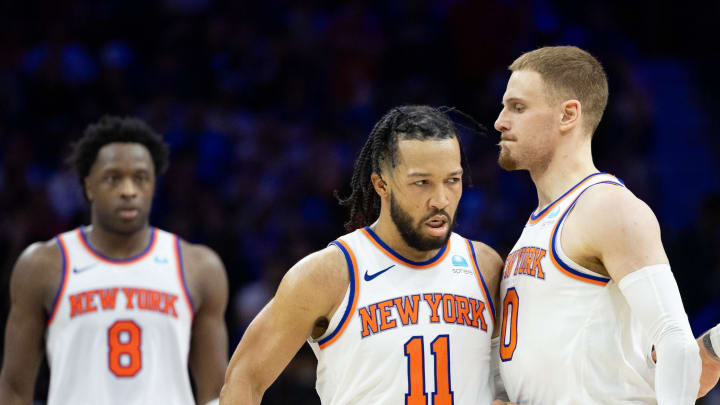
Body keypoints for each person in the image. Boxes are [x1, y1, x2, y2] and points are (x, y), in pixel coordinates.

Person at [221, 105, 504, 404]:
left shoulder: (485, 267)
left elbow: (508, 382)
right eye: (422, 182)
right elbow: (243, 380)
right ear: (381, 184)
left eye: (452, 180)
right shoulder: (330, 273)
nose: (441, 199)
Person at [493, 45, 701, 404]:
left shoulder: (607, 208)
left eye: (518, 107)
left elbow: (675, 342)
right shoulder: (539, 222)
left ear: (568, 115)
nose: (500, 121)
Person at [0, 116, 229, 404]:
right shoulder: (43, 265)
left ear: (154, 186)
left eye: (141, 178)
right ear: (88, 186)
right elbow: (14, 390)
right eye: (113, 178)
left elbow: (215, 393)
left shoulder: (198, 266)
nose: (129, 191)